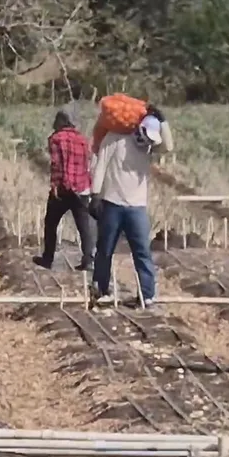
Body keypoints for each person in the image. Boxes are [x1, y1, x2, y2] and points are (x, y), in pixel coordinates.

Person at [89, 108, 172, 307]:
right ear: (137, 129)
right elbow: (101, 165)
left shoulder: (149, 145)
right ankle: (101, 290)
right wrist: (95, 195)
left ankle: (147, 295)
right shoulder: (114, 138)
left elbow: (168, 147)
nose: (145, 142)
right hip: (112, 203)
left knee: (142, 252)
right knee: (105, 250)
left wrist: (164, 121)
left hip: (137, 206)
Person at [32, 109, 96, 271]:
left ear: (61, 122)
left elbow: (57, 165)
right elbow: (86, 164)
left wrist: (54, 185)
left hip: (63, 188)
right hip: (81, 188)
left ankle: (48, 259)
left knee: (51, 223)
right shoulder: (82, 140)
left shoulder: (56, 138)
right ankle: (88, 259)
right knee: (83, 226)